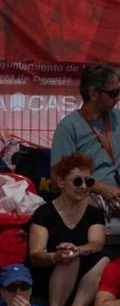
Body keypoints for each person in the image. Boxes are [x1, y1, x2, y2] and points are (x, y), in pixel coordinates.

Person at [27, 153, 108, 306]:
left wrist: (77, 249)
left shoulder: (94, 213)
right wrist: (57, 256)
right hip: (47, 272)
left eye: (89, 182)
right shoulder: (44, 212)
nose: (84, 187)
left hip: (81, 276)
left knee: (101, 260)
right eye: (77, 181)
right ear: (61, 182)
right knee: (69, 256)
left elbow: (97, 243)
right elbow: (36, 254)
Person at [50, 63, 120, 212]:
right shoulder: (69, 127)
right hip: (91, 196)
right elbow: (58, 178)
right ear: (94, 93)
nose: (118, 98)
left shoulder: (117, 118)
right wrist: (99, 187)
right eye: (113, 93)